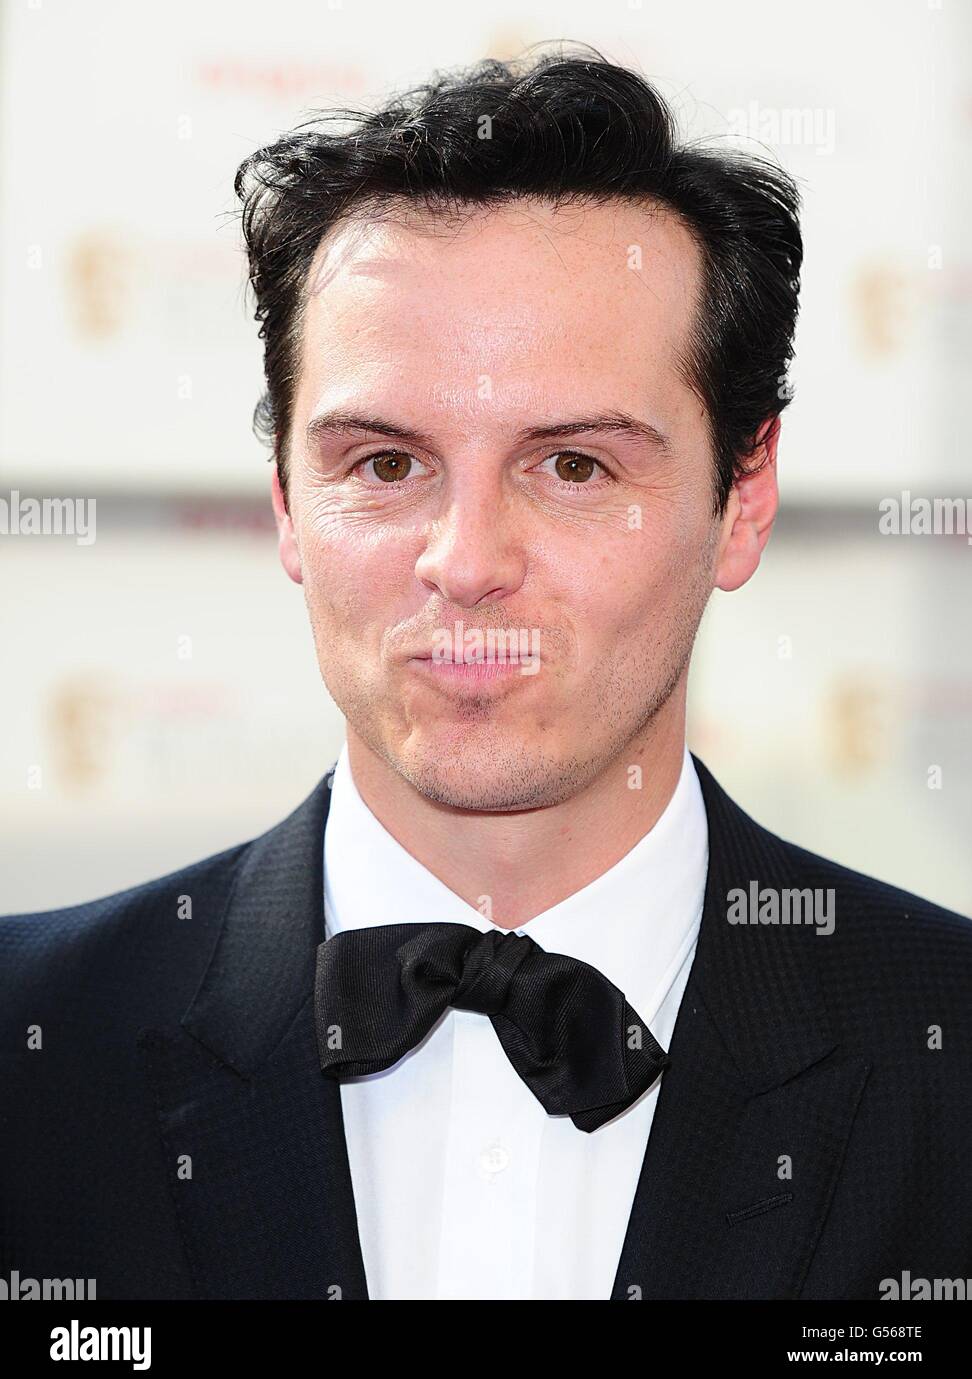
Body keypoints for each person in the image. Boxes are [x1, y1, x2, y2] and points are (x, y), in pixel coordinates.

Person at [2, 46, 970, 1301]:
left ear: (743, 497)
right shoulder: (31, 1052)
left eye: (572, 467)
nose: (465, 563)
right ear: (288, 503)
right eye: (387, 464)